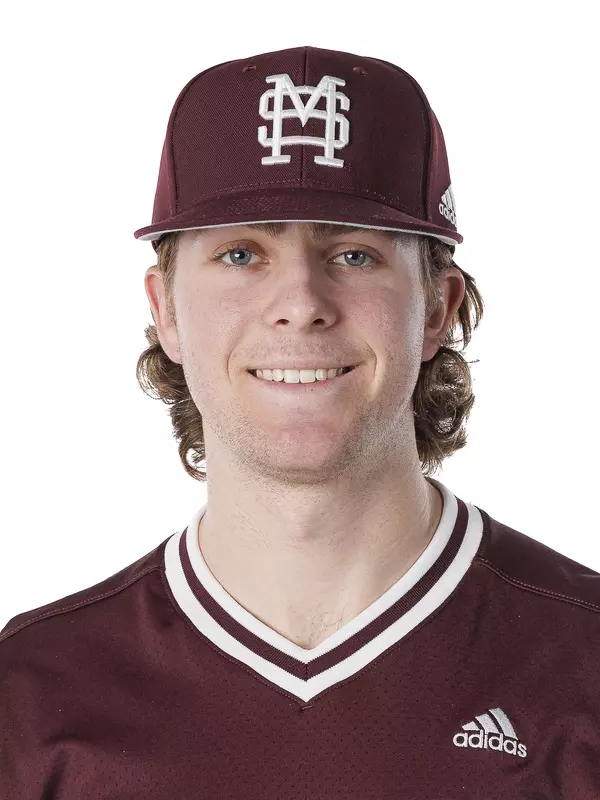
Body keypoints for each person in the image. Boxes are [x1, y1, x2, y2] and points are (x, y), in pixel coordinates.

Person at [1, 45, 599, 798]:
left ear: (437, 309)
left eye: (352, 255)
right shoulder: (29, 696)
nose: (302, 302)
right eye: (242, 253)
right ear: (165, 311)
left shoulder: (584, 662)